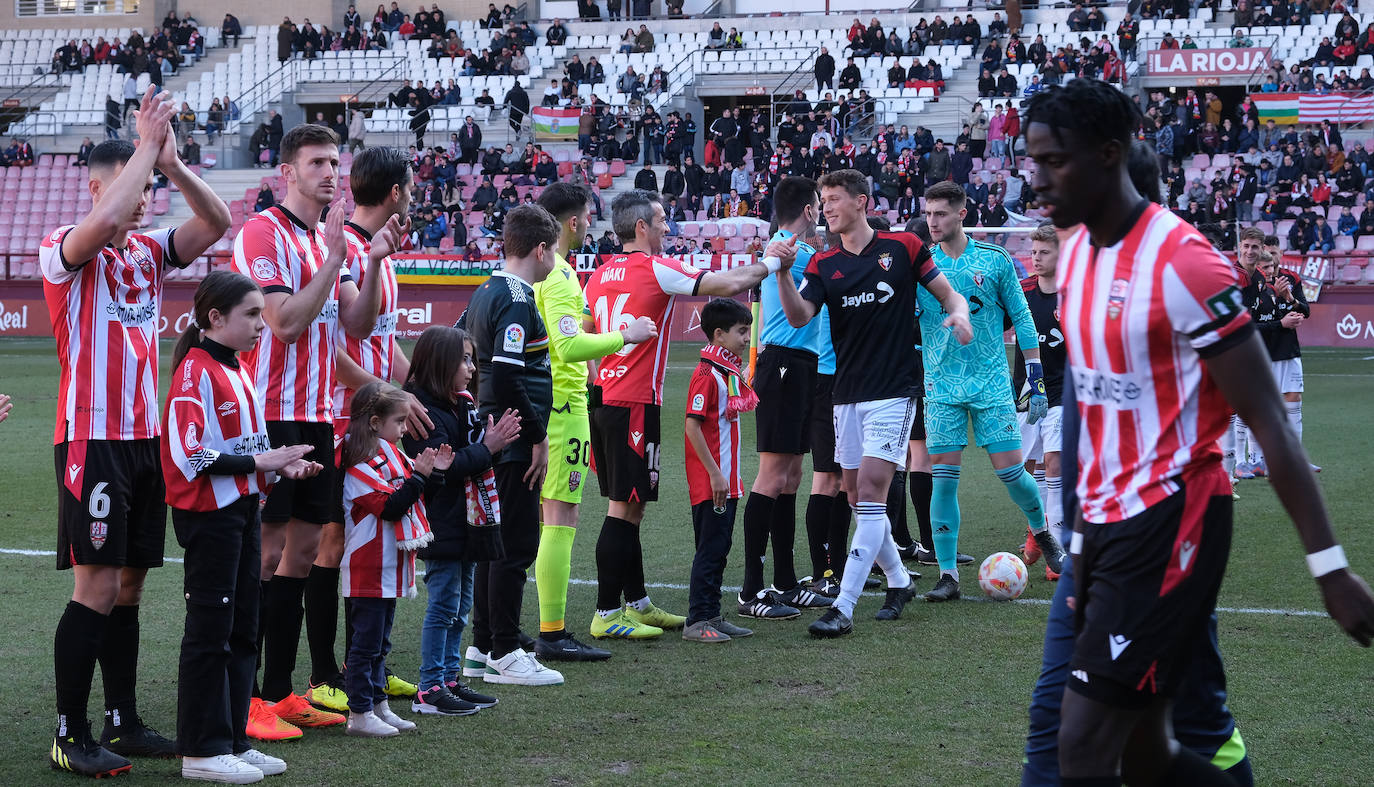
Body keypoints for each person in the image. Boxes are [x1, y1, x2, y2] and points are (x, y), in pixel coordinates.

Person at [1026, 77, 1374, 785]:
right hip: (1106, 526)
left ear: (1109, 153)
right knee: (1146, 751)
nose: (1037, 179)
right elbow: (1093, 408)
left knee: (1081, 746)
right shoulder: (1078, 251)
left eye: (1054, 161)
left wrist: (1330, 568)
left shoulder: (1184, 263)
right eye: (1034, 161)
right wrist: (1080, 538)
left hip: (1172, 519)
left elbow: (1269, 419)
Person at [42, 88, 231, 778]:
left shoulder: (148, 253)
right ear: (98, 187)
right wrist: (146, 147)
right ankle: (69, 731)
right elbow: (102, 223)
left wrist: (172, 164)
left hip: (145, 442)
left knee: (129, 586)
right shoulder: (64, 248)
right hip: (90, 440)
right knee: (94, 587)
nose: (146, 197)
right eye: (137, 183)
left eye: (150, 187)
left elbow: (217, 222)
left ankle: (121, 719)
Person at [230, 124, 406, 738]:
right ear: (288, 172)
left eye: (334, 162)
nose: (330, 172)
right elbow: (283, 323)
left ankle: (279, 691)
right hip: (269, 414)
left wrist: (372, 262)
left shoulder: (328, 240)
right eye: (316, 163)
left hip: (316, 413)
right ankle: (244, 697)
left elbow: (357, 325)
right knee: (266, 554)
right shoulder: (264, 232)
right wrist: (335, 260)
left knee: (302, 555)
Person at [583, 190, 794, 640]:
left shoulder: (598, 274)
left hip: (606, 399)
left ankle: (638, 603)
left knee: (633, 505)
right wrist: (772, 262)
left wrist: (600, 376)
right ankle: (606, 612)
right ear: (641, 226)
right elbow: (727, 285)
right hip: (633, 402)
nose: (667, 227)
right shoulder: (654, 267)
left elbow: (587, 331)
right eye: (661, 219)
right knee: (622, 508)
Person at [771, 169, 972, 637]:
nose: (825, 208)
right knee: (856, 496)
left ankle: (843, 607)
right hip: (845, 395)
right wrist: (782, 272)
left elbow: (950, 296)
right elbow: (799, 317)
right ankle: (899, 581)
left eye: (834, 199)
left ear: (861, 201)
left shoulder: (903, 247)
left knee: (872, 491)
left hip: (894, 392)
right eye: (823, 200)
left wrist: (960, 315)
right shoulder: (823, 264)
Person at [164, 271, 319, 783]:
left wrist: (281, 466)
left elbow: (246, 449)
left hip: (243, 512)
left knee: (243, 630)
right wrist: (262, 461)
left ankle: (231, 740)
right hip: (210, 518)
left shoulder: (238, 368)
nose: (260, 324)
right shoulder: (195, 371)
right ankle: (200, 751)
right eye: (251, 314)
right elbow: (190, 454)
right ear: (215, 318)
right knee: (210, 632)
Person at [302, 146, 425, 716]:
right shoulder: (344, 250)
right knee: (333, 545)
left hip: (373, 418)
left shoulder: (379, 253)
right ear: (396, 193)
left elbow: (382, 341)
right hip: (340, 419)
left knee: (365, 545)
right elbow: (330, 353)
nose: (414, 196)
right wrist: (389, 395)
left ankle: (366, 666)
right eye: (411, 187)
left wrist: (419, 388)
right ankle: (327, 672)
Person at [914, 180, 1065, 602]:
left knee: (1012, 472)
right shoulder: (921, 265)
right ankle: (948, 574)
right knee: (943, 478)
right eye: (928, 214)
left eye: (941, 213)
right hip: (941, 385)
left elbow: (1023, 317)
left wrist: (1035, 378)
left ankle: (1042, 532)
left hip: (992, 383)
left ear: (962, 214)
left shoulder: (994, 260)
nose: (932, 221)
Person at [530, 184, 657, 661]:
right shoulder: (559, 274)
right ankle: (552, 631)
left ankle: (497, 634)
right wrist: (624, 335)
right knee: (561, 516)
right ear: (572, 221)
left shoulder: (530, 273)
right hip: (562, 409)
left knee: (538, 517)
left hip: (542, 402)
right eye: (587, 215)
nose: (590, 223)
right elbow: (568, 347)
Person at [456, 205, 567, 687]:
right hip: (514, 435)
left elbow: (466, 355)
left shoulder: (485, 290)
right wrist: (537, 434)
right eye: (554, 252)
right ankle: (505, 651)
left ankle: (483, 646)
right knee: (517, 544)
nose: (555, 261)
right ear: (541, 250)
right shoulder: (518, 297)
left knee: (494, 542)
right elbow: (504, 373)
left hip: (493, 431)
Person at [403, 326, 514, 715]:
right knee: (443, 606)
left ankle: (449, 679)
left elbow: (471, 455)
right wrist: (488, 447)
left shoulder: (460, 404)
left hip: (465, 521)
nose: (471, 369)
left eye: (472, 360)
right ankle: (429, 688)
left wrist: (492, 445)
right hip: (441, 523)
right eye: (463, 360)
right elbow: (444, 467)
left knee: (460, 605)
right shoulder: (422, 412)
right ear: (439, 363)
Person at [739, 176, 835, 619]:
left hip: (801, 365)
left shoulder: (796, 251)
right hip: (782, 363)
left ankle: (784, 581)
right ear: (810, 210)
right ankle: (751, 590)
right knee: (772, 476)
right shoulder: (787, 249)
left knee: (792, 476)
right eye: (821, 205)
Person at [338, 382, 441, 737]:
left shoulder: (394, 457)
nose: (404, 429)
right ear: (374, 422)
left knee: (380, 645)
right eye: (399, 421)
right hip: (367, 566)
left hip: (389, 566)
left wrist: (435, 474)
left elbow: (415, 496)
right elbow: (391, 507)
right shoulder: (359, 465)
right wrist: (421, 477)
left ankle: (378, 704)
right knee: (365, 646)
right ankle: (359, 712)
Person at [682, 298, 760, 642]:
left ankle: (712, 615)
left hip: (727, 481)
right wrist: (715, 473)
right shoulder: (707, 375)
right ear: (719, 334)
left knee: (720, 548)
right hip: (712, 482)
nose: (746, 338)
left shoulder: (726, 372)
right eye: (741, 332)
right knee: (710, 550)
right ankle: (697, 620)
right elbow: (692, 426)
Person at [1011, 224, 1069, 579]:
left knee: (1055, 462)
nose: (1036, 258)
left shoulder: (1073, 295)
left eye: (1044, 252)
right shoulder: (1022, 291)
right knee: (1025, 470)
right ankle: (1037, 529)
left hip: (1063, 391)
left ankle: (1056, 550)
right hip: (1027, 393)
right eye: (1033, 252)